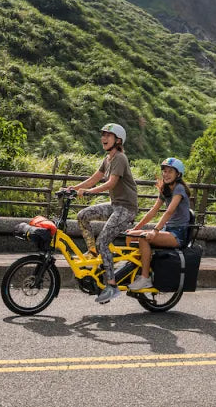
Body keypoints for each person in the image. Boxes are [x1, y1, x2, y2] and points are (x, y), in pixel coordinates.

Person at [65, 123, 138, 304]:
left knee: (104, 241)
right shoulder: (107, 159)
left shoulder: (120, 158)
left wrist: (89, 193)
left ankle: (112, 286)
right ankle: (92, 251)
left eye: (108, 135)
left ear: (118, 140)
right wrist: (75, 188)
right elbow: (95, 178)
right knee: (83, 216)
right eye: (103, 134)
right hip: (115, 205)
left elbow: (110, 183)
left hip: (126, 208)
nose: (104, 138)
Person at [125, 157, 192, 292]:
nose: (166, 174)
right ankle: (135, 269)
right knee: (129, 235)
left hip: (177, 234)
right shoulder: (165, 189)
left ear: (178, 175)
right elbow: (153, 211)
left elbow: (169, 211)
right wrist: (135, 228)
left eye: (170, 172)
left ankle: (145, 278)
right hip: (168, 231)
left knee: (144, 237)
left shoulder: (179, 189)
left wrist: (155, 231)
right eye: (164, 171)